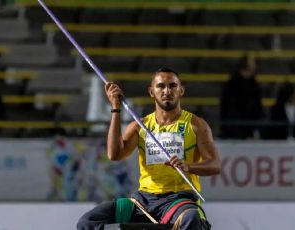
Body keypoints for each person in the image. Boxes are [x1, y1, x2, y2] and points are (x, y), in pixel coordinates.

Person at [77, 68, 221, 230]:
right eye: (160, 86)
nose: (167, 91)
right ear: (152, 91)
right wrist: (116, 109)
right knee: (89, 221)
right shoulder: (140, 126)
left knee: (192, 218)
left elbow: (215, 165)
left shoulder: (196, 125)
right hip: (143, 201)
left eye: (172, 86)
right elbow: (114, 154)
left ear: (181, 91)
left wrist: (188, 166)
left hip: (178, 199)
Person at [220, 54, 263, 139]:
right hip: (234, 126)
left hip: (250, 126)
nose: (254, 66)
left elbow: (257, 106)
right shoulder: (232, 83)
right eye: (252, 63)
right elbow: (226, 106)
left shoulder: (254, 84)